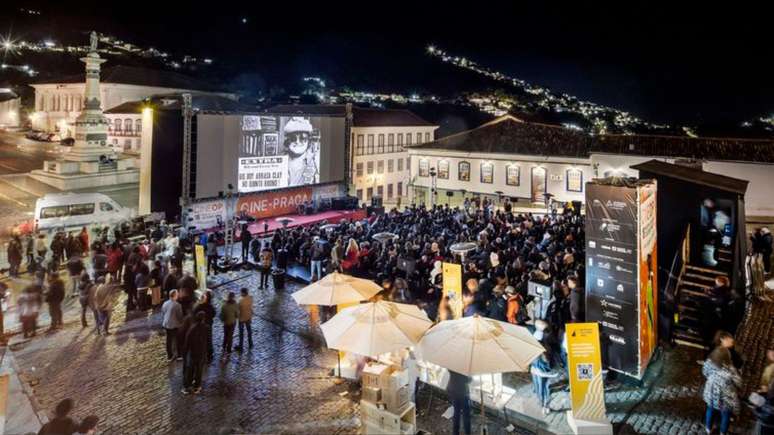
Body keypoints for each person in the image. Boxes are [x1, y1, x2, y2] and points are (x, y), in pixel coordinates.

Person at [702, 346, 742, 435]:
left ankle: (708, 428)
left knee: (710, 410)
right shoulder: (730, 369)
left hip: (711, 394)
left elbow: (704, 372)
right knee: (726, 415)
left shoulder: (709, 362)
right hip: (725, 398)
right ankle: (723, 432)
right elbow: (738, 382)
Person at [182, 311, 208, 394]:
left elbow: (187, 342)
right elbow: (208, 341)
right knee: (199, 370)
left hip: (193, 353)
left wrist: (184, 354)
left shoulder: (192, 329)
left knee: (190, 369)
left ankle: (187, 386)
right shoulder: (206, 328)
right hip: (201, 352)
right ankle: (197, 386)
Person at [446, 370, 471, 435]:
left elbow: (449, 370)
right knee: (466, 415)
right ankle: (467, 433)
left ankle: (455, 433)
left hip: (453, 390)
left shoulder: (454, 363)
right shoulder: (465, 366)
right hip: (462, 393)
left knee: (456, 412)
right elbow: (468, 380)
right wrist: (470, 377)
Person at [161, 290, 184, 361]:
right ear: (174, 296)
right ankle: (179, 355)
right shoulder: (177, 305)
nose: (178, 295)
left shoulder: (165, 303)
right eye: (177, 294)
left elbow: (163, 312)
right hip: (175, 325)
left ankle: (169, 356)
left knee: (169, 340)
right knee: (178, 340)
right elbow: (180, 316)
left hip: (166, 324)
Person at [193, 290, 216, 361]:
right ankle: (209, 354)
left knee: (202, 339)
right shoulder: (210, 307)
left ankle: (202, 353)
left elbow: (194, 313)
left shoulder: (199, 306)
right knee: (208, 339)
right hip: (208, 325)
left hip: (202, 325)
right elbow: (213, 314)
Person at [219, 291, 239, 356]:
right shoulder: (235, 304)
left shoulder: (224, 306)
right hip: (232, 322)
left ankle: (224, 346)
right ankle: (229, 349)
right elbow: (237, 314)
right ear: (233, 297)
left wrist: (223, 319)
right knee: (230, 336)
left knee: (225, 335)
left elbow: (221, 316)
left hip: (226, 323)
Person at [235, 288, 253, 352]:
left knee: (241, 333)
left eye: (241, 292)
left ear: (243, 293)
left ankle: (241, 346)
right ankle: (250, 343)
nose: (240, 293)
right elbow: (251, 308)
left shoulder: (240, 300)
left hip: (242, 319)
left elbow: (237, 310)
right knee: (249, 331)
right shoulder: (250, 298)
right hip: (248, 317)